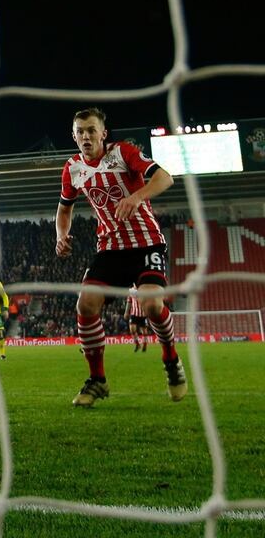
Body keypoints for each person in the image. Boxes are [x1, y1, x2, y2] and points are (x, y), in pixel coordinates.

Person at [55, 107, 187, 407]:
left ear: (103, 133)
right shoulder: (72, 168)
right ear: (73, 136)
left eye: (91, 130)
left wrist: (136, 196)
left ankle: (171, 360)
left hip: (146, 244)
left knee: (152, 305)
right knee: (86, 304)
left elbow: (165, 178)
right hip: (110, 249)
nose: (86, 136)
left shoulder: (123, 153)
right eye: (80, 131)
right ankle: (97, 380)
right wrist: (61, 236)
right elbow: (64, 209)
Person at [125, 284, 149, 353]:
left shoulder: (144, 290)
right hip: (133, 314)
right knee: (132, 330)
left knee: (144, 332)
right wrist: (126, 312)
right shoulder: (131, 291)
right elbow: (129, 301)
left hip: (143, 314)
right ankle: (137, 345)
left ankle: (145, 344)